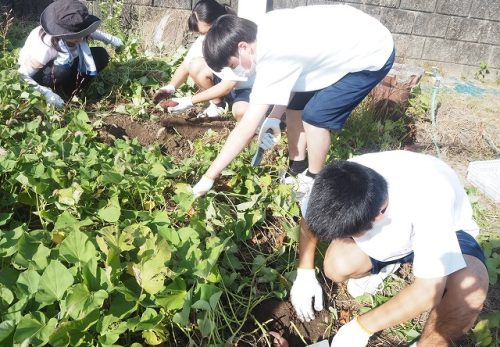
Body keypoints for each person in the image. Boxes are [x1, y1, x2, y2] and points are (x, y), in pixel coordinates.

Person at [190, 4, 395, 197]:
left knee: (315, 117)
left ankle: (315, 180)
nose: (237, 71)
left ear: (242, 47)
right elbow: (289, 78)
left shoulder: (274, 56)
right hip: (341, 40)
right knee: (295, 107)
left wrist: (210, 175)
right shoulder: (258, 31)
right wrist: (274, 116)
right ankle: (297, 166)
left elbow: (244, 129)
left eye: (234, 65)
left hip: (371, 52)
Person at [290, 150, 488, 346]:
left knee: (471, 290)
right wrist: (304, 272)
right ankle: (387, 263)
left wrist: (361, 327)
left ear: (378, 216)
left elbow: (428, 291)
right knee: (337, 266)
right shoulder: (340, 179)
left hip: (449, 231)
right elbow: (309, 221)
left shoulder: (431, 197)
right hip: (391, 234)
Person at [153, 0, 253, 120]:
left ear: (219, 21)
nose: (205, 37)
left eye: (207, 32)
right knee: (195, 65)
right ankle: (218, 105)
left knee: (241, 112)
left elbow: (228, 86)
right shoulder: (208, 38)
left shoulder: (237, 40)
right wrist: (171, 87)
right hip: (226, 86)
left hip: (245, 88)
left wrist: (189, 101)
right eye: (202, 33)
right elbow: (186, 64)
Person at [17, 0, 123, 108]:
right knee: (62, 70)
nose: (81, 38)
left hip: (68, 63)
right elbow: (21, 75)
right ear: (62, 32)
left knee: (101, 55)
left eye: (83, 32)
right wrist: (46, 93)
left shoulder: (78, 28)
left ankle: (71, 91)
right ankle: (57, 92)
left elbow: (93, 32)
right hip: (43, 73)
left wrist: (114, 41)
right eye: (76, 35)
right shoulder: (44, 46)